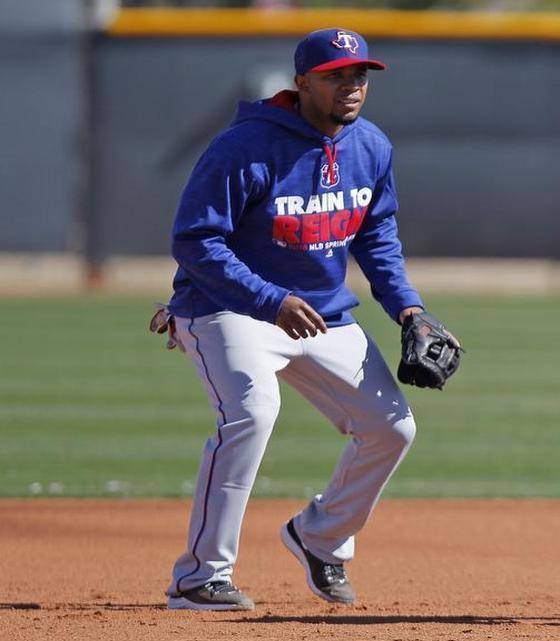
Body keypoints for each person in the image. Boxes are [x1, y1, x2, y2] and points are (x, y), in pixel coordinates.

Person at [161, 28, 456, 611]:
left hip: (321, 314)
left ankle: (319, 536)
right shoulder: (242, 147)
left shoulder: (370, 146)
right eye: (335, 76)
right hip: (228, 308)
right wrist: (269, 300)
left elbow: (378, 239)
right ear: (301, 83)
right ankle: (200, 575)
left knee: (392, 428)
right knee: (251, 413)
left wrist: (411, 310)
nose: (350, 87)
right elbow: (195, 241)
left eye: (359, 76)